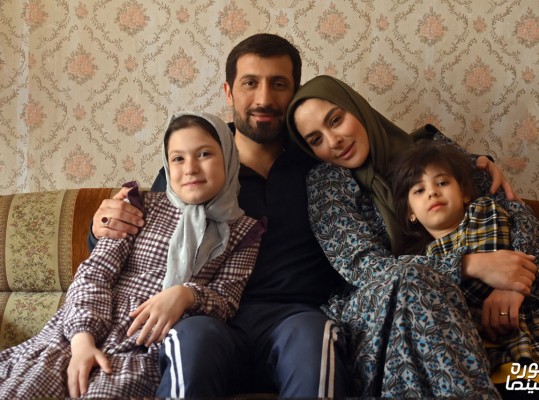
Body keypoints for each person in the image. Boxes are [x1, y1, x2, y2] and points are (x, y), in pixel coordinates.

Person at [87, 33, 351, 398]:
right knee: (190, 341)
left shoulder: (320, 161)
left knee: (315, 337)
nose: (264, 99)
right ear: (229, 93)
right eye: (250, 83)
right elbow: (140, 237)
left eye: (278, 84)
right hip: (206, 318)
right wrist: (100, 226)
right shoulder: (195, 162)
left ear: (295, 93)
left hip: (295, 318)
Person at [286, 75, 539, 398]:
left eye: (335, 120)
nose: (333, 140)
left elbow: (517, 213)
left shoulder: (428, 152)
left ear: (357, 108)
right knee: (412, 277)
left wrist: (513, 284)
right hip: (373, 311)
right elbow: (364, 267)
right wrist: (469, 265)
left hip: (448, 306)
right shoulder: (326, 183)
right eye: (316, 139)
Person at [0, 111, 264, 398]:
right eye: (178, 158)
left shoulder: (244, 232)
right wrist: (82, 341)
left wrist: (186, 295)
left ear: (228, 157)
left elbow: (225, 302)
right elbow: (94, 273)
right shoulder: (139, 207)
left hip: (142, 350)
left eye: (204, 154)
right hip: (79, 334)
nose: (190, 168)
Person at [390, 140, 539, 399]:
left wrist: (506, 284)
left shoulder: (484, 211)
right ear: (410, 213)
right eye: (419, 190)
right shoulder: (420, 262)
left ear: (464, 193)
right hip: (494, 342)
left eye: (442, 182)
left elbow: (505, 252)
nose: (432, 192)